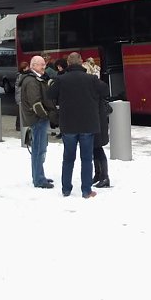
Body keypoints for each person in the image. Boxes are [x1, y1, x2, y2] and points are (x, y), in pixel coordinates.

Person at [47, 52, 104, 199]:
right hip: (87, 124)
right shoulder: (91, 79)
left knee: (68, 158)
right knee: (86, 159)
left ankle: (66, 189)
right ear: (81, 62)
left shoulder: (61, 79)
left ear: (68, 62)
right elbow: (105, 90)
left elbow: (50, 94)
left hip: (69, 125)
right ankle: (86, 190)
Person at [20, 55, 57, 189]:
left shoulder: (36, 79)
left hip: (38, 118)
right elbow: (35, 102)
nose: (44, 67)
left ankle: (39, 176)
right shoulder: (31, 81)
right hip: (38, 119)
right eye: (41, 65)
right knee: (38, 149)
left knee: (40, 148)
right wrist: (46, 115)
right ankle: (39, 179)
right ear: (33, 65)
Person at [92, 81, 112, 188]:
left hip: (98, 125)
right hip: (99, 124)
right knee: (95, 150)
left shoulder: (94, 92)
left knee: (98, 150)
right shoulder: (97, 90)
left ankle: (104, 176)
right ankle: (99, 174)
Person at [14, 60, 30, 132]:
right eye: (27, 67)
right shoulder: (21, 76)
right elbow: (20, 88)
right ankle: (19, 126)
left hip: (19, 96)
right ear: (24, 69)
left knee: (20, 112)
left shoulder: (19, 75)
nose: (28, 68)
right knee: (20, 112)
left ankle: (18, 126)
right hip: (21, 97)